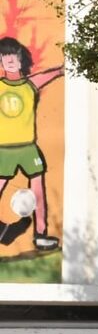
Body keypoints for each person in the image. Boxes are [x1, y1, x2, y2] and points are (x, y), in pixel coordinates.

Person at [0, 36, 64, 250]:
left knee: (38, 189)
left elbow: (50, 74)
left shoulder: (29, 84)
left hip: (28, 147)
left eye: (13, 55)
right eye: (4, 56)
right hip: (4, 149)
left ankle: (40, 235)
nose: (9, 60)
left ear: (21, 59)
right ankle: (4, 233)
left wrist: (63, 69)